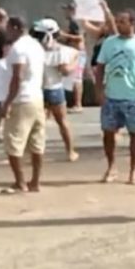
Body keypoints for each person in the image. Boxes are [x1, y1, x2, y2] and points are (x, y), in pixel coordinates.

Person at [95, 7, 135, 185]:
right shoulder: (109, 43)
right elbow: (100, 68)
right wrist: (99, 91)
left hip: (134, 97)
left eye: (122, 21)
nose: (118, 24)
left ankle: (134, 171)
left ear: (132, 23)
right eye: (117, 21)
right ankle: (111, 167)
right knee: (108, 134)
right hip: (111, 96)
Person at [0, 16, 47, 193]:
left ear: (16, 28)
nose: (7, 32)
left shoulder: (17, 49)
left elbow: (16, 77)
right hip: (37, 97)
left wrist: (7, 102)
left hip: (22, 100)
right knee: (36, 141)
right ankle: (35, 181)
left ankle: (20, 182)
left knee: (13, 142)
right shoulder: (36, 45)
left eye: (9, 28)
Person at [34, 18, 80, 163]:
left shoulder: (35, 49)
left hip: (41, 89)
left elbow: (69, 64)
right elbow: (70, 63)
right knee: (61, 122)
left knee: (37, 124)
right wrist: (72, 64)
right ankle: (70, 151)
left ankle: (34, 153)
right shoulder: (60, 50)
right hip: (52, 88)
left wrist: (70, 65)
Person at [59, 3, 86, 113]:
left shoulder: (75, 21)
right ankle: (75, 103)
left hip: (78, 53)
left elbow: (80, 37)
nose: (65, 12)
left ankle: (78, 104)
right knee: (74, 79)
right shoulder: (73, 22)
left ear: (73, 10)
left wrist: (64, 35)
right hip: (75, 52)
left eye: (67, 10)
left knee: (77, 79)